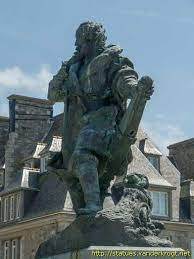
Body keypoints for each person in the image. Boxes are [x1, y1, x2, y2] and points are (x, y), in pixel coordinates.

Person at [48, 21, 153, 215]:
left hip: (105, 122)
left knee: (83, 154)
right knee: (73, 176)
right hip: (78, 128)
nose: (77, 46)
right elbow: (53, 95)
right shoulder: (74, 69)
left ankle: (95, 205)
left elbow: (125, 79)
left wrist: (135, 90)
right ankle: (92, 214)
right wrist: (64, 70)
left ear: (93, 41)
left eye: (80, 41)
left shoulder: (111, 61)